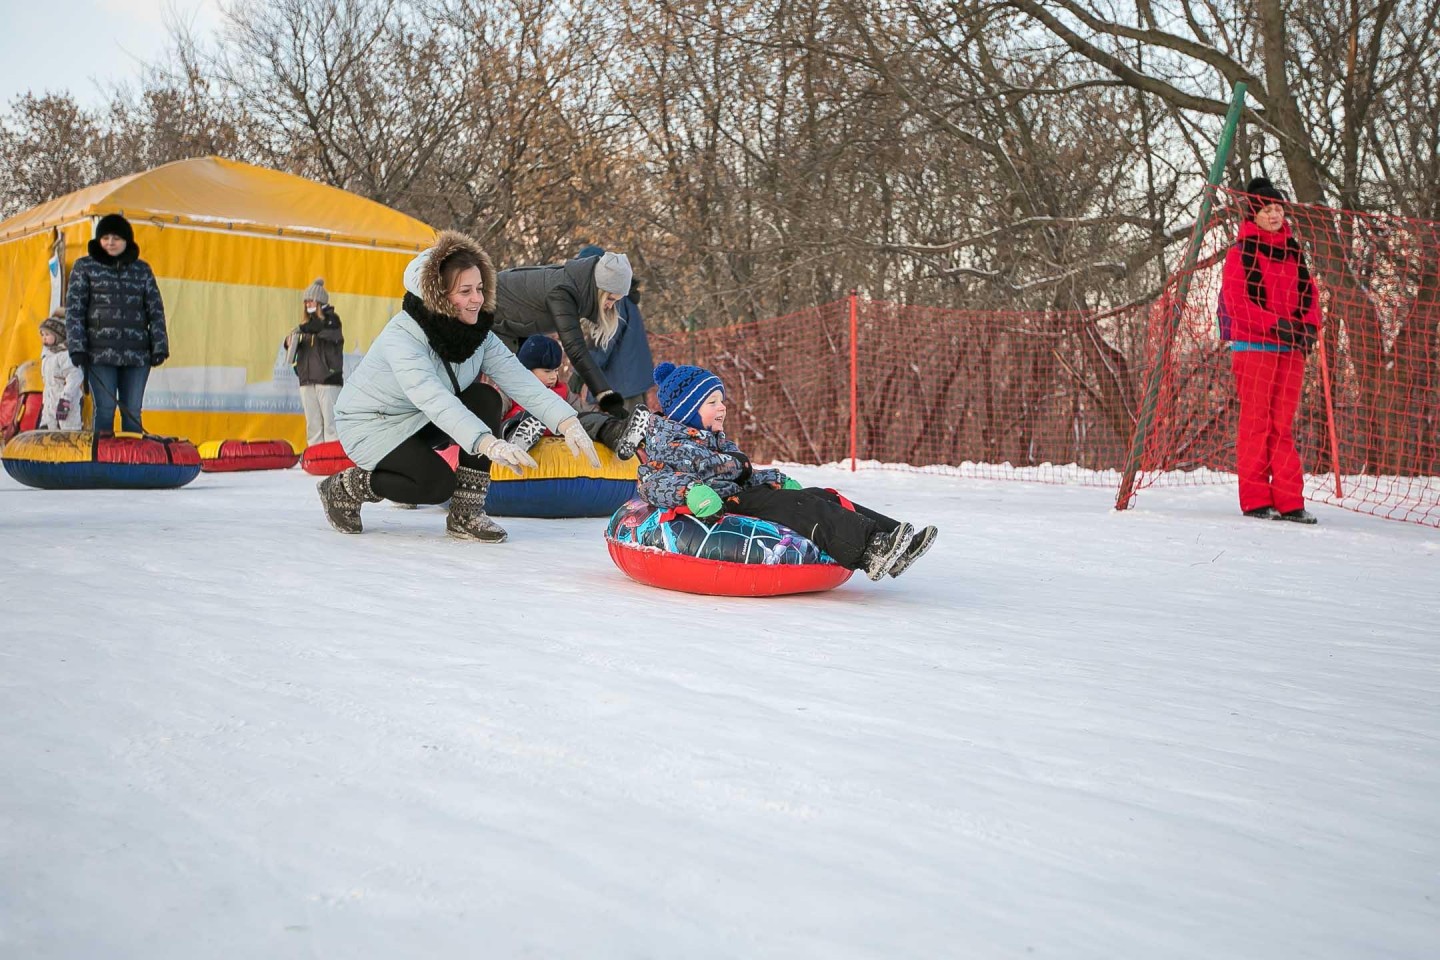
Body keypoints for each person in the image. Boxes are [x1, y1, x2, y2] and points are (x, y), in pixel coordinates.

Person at [324, 231, 602, 542]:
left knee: (485, 398)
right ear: (439, 296)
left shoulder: (476, 334)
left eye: (480, 289)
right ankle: (348, 487)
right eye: (465, 291)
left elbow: (519, 378)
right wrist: (487, 443)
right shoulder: (403, 338)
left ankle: (466, 512)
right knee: (435, 485)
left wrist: (567, 421)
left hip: (419, 417)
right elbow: (434, 399)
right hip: (371, 425)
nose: (477, 300)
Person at [638, 362, 938, 580]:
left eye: (722, 400)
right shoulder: (669, 444)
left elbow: (742, 474)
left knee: (819, 495)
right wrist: (690, 491)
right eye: (712, 402)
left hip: (743, 495)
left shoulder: (713, 439)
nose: (722, 407)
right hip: (721, 507)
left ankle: (894, 538)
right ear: (687, 411)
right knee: (798, 506)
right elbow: (651, 480)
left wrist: (777, 479)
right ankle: (871, 550)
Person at [1218, 177, 1321, 525]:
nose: (1274, 214)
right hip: (1255, 347)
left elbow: (1310, 295)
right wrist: (1275, 324)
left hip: (1291, 348)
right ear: (1254, 215)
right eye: (1267, 209)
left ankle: (1291, 501)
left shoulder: (1294, 251)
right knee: (1256, 423)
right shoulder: (1240, 252)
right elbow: (1237, 303)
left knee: (1282, 425)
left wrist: (1309, 326)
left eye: (1278, 208)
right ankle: (1256, 498)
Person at [492, 249, 638, 420]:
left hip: (514, 328)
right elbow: (575, 348)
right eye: (610, 299)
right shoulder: (564, 291)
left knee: (518, 384)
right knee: (483, 385)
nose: (610, 306)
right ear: (599, 290)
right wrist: (607, 398)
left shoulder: (576, 287)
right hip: (488, 312)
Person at [65, 213, 167, 435]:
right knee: (105, 408)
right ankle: (101, 462)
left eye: (116, 238)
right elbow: (74, 310)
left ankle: (132, 463)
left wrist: (160, 345)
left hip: (137, 354)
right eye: (106, 237)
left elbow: (155, 310)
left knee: (132, 410)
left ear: (127, 240)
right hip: (99, 354)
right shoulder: (85, 267)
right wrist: (77, 348)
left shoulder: (142, 270)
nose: (110, 242)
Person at [502, 334, 650, 460]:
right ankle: (519, 440)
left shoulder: (562, 391)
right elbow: (495, 412)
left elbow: (586, 410)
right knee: (520, 419)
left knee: (584, 419)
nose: (554, 376)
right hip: (524, 424)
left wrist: (609, 415)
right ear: (526, 369)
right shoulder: (511, 388)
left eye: (555, 370)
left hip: (559, 427)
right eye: (547, 371)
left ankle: (619, 435)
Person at [570, 244, 655, 410]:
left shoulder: (613, 298)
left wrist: (579, 373)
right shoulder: (620, 295)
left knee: (626, 432)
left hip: (621, 388)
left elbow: (602, 341)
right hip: (626, 384)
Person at [286, 278, 344, 446]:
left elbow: (327, 332)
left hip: (327, 379)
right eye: (305, 301)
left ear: (319, 301)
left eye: (310, 300)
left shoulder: (332, 320)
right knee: (313, 424)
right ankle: (316, 454)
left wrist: (304, 328)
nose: (307, 304)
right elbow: (302, 340)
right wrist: (289, 343)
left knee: (331, 423)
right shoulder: (306, 325)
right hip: (307, 379)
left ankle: (333, 455)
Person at [37, 313, 82, 430]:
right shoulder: (47, 356)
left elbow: (75, 376)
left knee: (68, 433)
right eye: (42, 334)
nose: (44, 337)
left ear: (58, 335)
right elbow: (47, 383)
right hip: (49, 405)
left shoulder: (65, 356)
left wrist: (66, 399)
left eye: (47, 334)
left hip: (66, 405)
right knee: (48, 434)